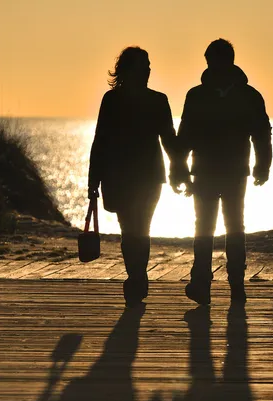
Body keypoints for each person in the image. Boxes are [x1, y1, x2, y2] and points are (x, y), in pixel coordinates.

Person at [171, 38, 272, 305]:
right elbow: (186, 135)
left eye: (212, 61)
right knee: (207, 226)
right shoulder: (198, 95)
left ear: (227, 61)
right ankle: (202, 282)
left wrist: (263, 165)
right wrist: (179, 169)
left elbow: (261, 133)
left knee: (232, 226)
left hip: (234, 172)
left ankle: (235, 285)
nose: (210, 66)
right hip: (204, 171)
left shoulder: (248, 95)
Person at [88, 47, 176, 307]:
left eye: (149, 65)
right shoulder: (119, 100)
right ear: (129, 70)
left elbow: (169, 141)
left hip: (137, 177)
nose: (148, 70)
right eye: (143, 65)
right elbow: (100, 141)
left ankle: (136, 278)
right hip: (130, 177)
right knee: (135, 230)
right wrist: (93, 181)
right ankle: (137, 277)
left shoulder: (153, 100)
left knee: (134, 230)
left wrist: (181, 169)